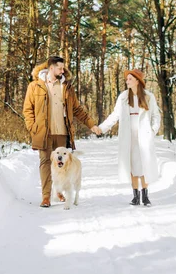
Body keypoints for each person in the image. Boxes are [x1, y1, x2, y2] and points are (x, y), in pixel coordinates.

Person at [23, 56, 101, 208]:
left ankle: (59, 189)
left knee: (62, 163)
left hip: (62, 132)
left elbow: (77, 109)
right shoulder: (35, 86)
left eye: (63, 68)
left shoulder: (66, 87)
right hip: (43, 132)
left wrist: (91, 125)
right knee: (45, 162)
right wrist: (33, 128)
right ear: (51, 68)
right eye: (60, 68)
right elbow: (28, 110)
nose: (63, 70)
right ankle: (46, 197)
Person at [98, 69, 161, 206]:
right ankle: (135, 196)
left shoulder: (148, 96)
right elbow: (115, 115)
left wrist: (153, 130)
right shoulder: (124, 97)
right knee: (132, 164)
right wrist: (102, 128)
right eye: (127, 79)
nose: (127, 81)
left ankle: (145, 195)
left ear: (138, 80)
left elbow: (156, 116)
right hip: (128, 134)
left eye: (130, 79)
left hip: (144, 133)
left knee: (144, 163)